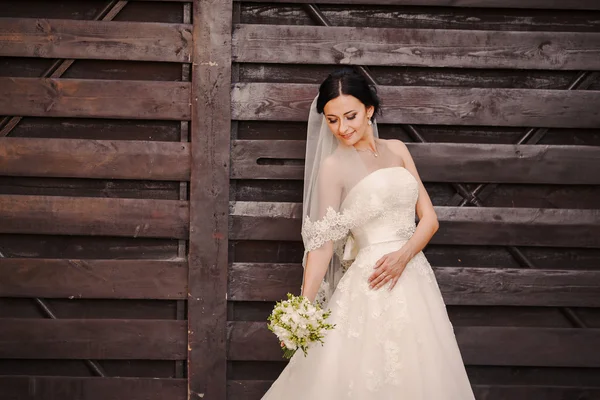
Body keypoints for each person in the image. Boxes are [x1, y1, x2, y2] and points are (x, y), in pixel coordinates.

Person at [261, 68, 475, 399]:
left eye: (350, 116)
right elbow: (322, 244)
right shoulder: (333, 167)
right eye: (332, 120)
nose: (342, 128)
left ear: (369, 110)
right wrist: (302, 310)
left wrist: (403, 256)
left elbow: (429, 218)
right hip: (371, 280)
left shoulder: (398, 149)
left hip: (413, 274)